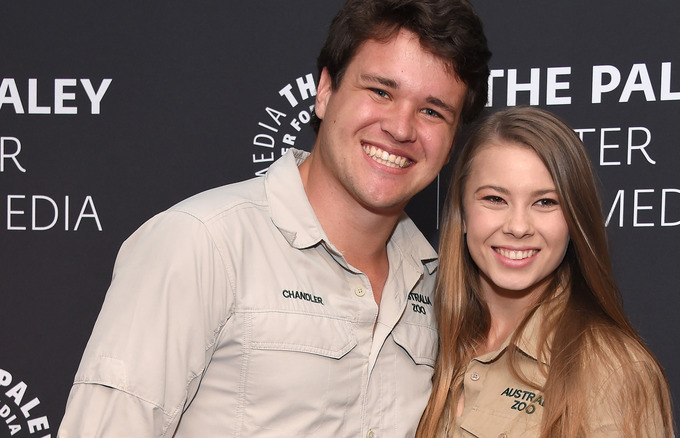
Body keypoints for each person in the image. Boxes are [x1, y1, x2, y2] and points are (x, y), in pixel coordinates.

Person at [57, 1, 490, 436]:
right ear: (325, 91)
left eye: (433, 111)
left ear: (453, 141)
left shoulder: (438, 284)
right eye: (381, 91)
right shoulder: (202, 243)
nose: (401, 128)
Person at [416, 106, 675, 437]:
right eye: (495, 199)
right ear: (463, 213)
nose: (518, 227)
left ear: (574, 219)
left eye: (545, 202)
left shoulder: (614, 370)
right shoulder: (419, 337)